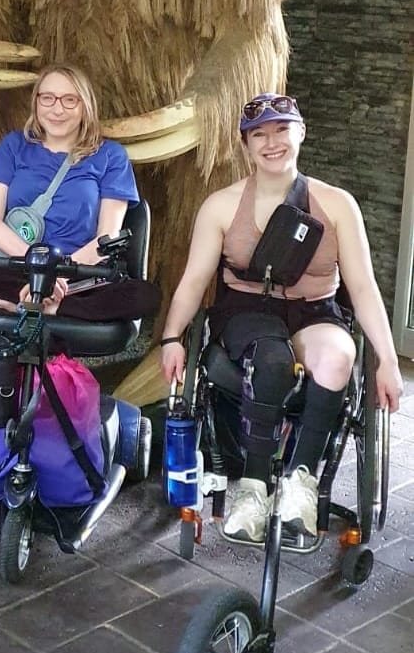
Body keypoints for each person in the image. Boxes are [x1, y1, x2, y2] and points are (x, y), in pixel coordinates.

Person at [160, 92, 403, 544]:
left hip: (314, 311)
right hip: (247, 312)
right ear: (246, 145)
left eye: (281, 130)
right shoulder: (221, 206)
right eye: (259, 135)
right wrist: (172, 337)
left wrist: (387, 360)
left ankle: (300, 484)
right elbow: (194, 281)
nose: (272, 142)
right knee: (271, 361)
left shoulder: (337, 205)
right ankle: (253, 488)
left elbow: (365, 287)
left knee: (336, 360)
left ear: (301, 133)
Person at [0, 63, 159, 321]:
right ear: (36, 103)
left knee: (145, 296)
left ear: (85, 106)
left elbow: (106, 237)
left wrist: (57, 276)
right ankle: (40, 307)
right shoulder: (13, 146)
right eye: (48, 98)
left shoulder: (111, 156)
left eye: (69, 100)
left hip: (77, 276)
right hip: (19, 266)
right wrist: (39, 274)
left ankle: (38, 309)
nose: (57, 109)